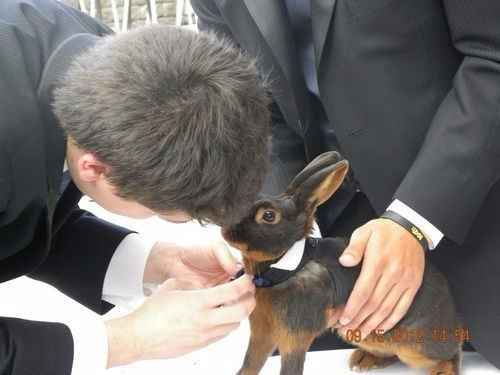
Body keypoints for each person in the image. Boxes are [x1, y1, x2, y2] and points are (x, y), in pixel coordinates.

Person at [191, 0, 500, 368]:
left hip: (476, 224)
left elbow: (490, 58)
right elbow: (251, 108)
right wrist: (290, 230)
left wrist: (417, 217)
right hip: (334, 280)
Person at [0, 0, 272, 373]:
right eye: (161, 212)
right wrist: (129, 340)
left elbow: (28, 204)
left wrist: (155, 263)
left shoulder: (111, 66)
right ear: (93, 167)